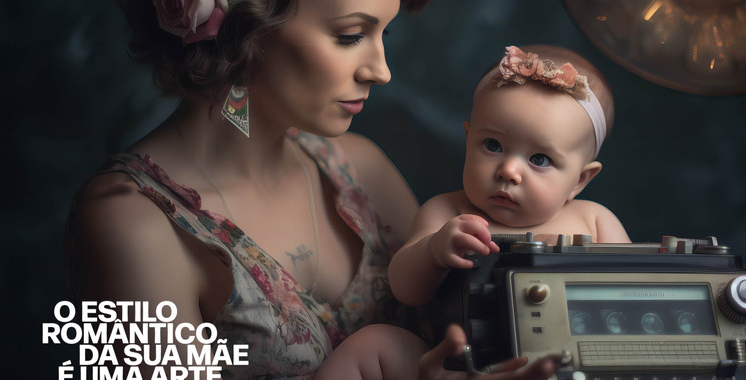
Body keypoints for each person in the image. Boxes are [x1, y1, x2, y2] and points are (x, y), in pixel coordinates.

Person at [65, 0, 558, 379]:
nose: (380, 70)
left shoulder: (360, 167)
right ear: (244, 29)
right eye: (350, 36)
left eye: (383, 33)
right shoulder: (130, 220)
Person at [390, 45, 632, 307]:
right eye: (493, 145)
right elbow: (406, 293)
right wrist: (433, 251)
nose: (508, 171)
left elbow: (638, 293)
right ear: (469, 140)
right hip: (459, 334)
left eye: (539, 160)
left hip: (570, 334)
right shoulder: (447, 212)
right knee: (377, 332)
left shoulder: (595, 222)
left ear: (580, 180)